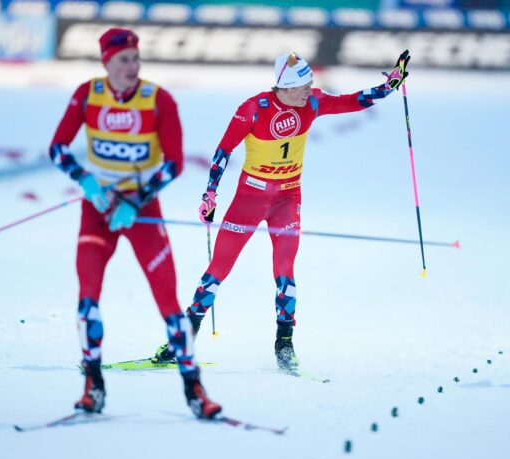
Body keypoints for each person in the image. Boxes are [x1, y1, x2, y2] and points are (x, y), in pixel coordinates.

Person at [152, 50, 410, 373]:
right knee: (217, 271)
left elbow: (353, 100)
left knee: (285, 273)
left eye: (310, 84)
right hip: (249, 199)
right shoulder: (253, 109)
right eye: (303, 86)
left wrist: (389, 86)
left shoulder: (313, 103)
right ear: (284, 88)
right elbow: (223, 150)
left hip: (287, 199)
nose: (310, 90)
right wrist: (210, 195)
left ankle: (284, 344)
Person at [49, 27, 221, 418]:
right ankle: (93, 386)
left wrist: (137, 198)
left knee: (169, 304)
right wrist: (87, 182)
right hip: (98, 210)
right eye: (123, 59)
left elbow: (174, 162)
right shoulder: (87, 94)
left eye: (136, 58)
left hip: (141, 212)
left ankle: (194, 389)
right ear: (106, 62)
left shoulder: (159, 100)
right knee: (87, 300)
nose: (132, 66)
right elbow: (57, 148)